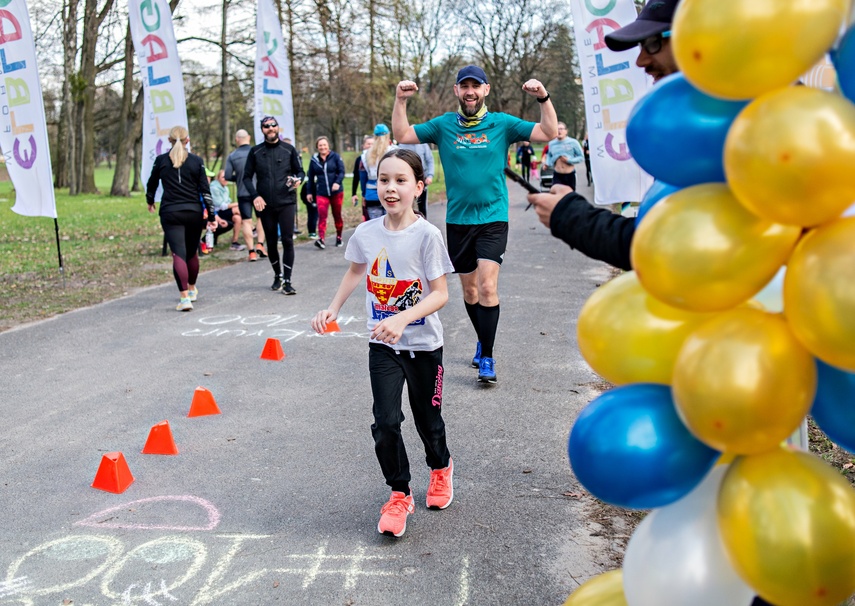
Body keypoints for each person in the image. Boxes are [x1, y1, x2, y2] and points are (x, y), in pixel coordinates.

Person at [311, 149, 455, 538]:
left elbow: (440, 294)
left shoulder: (427, 236)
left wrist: (404, 317)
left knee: (429, 422)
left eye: (400, 180)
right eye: (384, 180)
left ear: (418, 187)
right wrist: (333, 308)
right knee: (386, 422)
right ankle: (400, 492)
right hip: (383, 346)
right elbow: (356, 270)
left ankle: (440, 468)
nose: (391, 188)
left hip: (424, 345)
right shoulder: (366, 233)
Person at [392, 64, 557, 384]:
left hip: (493, 218)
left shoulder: (502, 124)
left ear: (486, 90)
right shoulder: (443, 126)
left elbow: (547, 132)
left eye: (475, 86)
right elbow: (402, 135)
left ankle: (488, 356)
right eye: (464, 86)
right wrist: (400, 100)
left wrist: (543, 98)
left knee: (487, 286)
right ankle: (483, 337)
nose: (470, 91)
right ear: (457, 91)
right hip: (458, 221)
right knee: (469, 291)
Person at [526, 0, 681, 272]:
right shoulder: (684, 127)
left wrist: (569, 215)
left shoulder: (738, 133)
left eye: (653, 43)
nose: (641, 61)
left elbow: (671, 250)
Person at [146, 125, 216, 311]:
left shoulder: (161, 161)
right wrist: (211, 215)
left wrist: (150, 201)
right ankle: (192, 289)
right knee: (192, 252)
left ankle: (184, 298)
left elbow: (151, 183)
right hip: (193, 212)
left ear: (169, 141)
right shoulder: (196, 161)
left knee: (178, 253)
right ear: (188, 140)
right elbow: (205, 191)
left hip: (170, 212)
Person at [242, 115, 305, 295]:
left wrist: (299, 179)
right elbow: (246, 177)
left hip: (286, 201)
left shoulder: (288, 150)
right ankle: (277, 275)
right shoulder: (255, 152)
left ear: (278, 127)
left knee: (287, 240)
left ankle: (287, 280)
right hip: (265, 204)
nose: (270, 128)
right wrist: (255, 196)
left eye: (273, 125)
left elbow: (300, 170)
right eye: (266, 126)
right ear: (262, 130)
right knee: (271, 242)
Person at [224, 129, 266, 262]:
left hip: (242, 193)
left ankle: (251, 252)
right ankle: (260, 244)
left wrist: (239, 178)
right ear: (248, 137)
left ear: (237, 139)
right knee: (261, 219)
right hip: (258, 192)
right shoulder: (258, 152)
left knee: (246, 221)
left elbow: (227, 175)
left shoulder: (232, 156)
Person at [306, 136, 346, 249]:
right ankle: (321, 239)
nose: (322, 147)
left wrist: (337, 182)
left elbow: (342, 171)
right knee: (322, 215)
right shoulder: (314, 160)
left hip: (336, 192)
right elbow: (310, 177)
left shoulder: (335, 157)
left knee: (337, 215)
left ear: (328, 146)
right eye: (320, 145)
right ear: (317, 147)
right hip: (321, 192)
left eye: (324, 145)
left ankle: (339, 237)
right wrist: (309, 192)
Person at [361, 124, 397, 220]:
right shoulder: (394, 152)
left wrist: (363, 195)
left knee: (375, 226)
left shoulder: (365, 155)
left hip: (371, 194)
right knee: (392, 225)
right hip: (390, 193)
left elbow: (363, 176)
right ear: (388, 135)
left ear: (374, 136)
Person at [209, 169, 246, 252]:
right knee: (237, 209)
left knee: (237, 218)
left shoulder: (225, 188)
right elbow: (221, 206)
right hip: (216, 213)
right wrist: (237, 203)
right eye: (223, 177)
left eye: (227, 177)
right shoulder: (214, 188)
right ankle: (251, 227)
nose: (225, 179)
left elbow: (227, 202)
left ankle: (234, 243)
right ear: (218, 178)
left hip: (224, 211)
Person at [396, 142, 434, 217]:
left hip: (422, 178)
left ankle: (423, 223)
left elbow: (430, 160)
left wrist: (430, 175)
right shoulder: (401, 146)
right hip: (406, 179)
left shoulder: (423, 145)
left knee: (422, 205)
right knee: (407, 203)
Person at [543, 122, 585, 190]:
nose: (559, 131)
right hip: (557, 174)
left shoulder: (573, 142)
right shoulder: (552, 143)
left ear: (566, 131)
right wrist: (547, 163)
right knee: (556, 196)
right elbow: (549, 155)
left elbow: (581, 157)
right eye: (557, 129)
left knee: (569, 197)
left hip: (569, 174)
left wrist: (569, 160)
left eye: (561, 129)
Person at [352, 135, 374, 221]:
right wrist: (354, 194)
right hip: (367, 194)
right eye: (368, 144)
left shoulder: (381, 158)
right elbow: (356, 177)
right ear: (363, 146)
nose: (370, 146)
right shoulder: (359, 160)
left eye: (373, 144)